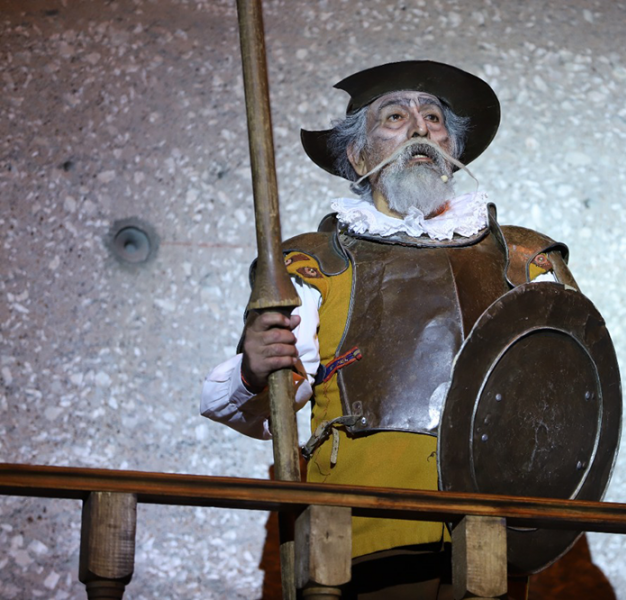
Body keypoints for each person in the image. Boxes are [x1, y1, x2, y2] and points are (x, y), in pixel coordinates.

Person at [200, 60, 577, 599]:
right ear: (359, 157)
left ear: (452, 149)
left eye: (434, 118)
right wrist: (256, 369)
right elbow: (271, 405)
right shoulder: (315, 263)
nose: (420, 128)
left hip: (493, 531)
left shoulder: (522, 258)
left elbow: (567, 388)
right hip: (365, 528)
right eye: (395, 117)